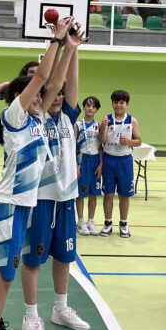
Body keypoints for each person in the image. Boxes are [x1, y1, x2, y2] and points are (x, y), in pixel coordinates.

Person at [0, 17, 78, 330]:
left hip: (20, 208)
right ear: (19, 98)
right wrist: (54, 40)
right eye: (34, 95)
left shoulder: (37, 119)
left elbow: (52, 83)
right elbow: (40, 79)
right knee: (4, 277)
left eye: (41, 97)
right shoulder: (14, 117)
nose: (41, 98)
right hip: (7, 208)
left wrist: (70, 48)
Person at [22, 33, 90, 330]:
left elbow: (69, 83)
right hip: (39, 200)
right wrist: (61, 47)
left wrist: (73, 49)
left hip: (65, 198)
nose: (60, 96)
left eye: (63, 94)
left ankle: (60, 309)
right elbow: (51, 80)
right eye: (55, 93)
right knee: (34, 259)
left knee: (64, 257)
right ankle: (30, 316)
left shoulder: (69, 116)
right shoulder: (33, 117)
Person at [98, 90, 141, 237]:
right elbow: (102, 141)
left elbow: (138, 141)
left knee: (124, 195)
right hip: (109, 159)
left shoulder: (132, 120)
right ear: (112, 103)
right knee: (108, 194)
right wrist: (103, 128)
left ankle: (123, 223)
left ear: (127, 104)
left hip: (124, 160)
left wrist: (129, 142)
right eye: (115, 102)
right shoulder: (106, 119)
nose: (118, 105)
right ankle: (108, 222)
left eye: (122, 102)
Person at [76, 96, 102, 235]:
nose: (90, 108)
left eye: (93, 106)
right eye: (87, 105)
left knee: (94, 193)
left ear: (96, 109)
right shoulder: (78, 125)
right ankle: (81, 221)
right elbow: (73, 147)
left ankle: (90, 221)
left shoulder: (100, 126)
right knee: (81, 193)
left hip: (95, 160)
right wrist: (76, 165)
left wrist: (101, 165)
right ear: (84, 107)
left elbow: (101, 147)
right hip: (82, 160)